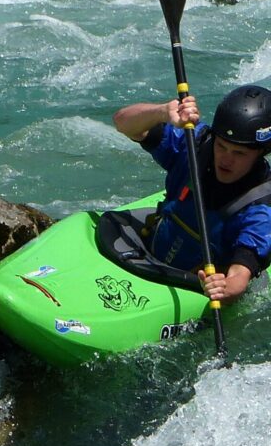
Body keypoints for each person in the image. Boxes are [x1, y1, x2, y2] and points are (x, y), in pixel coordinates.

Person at [112, 85, 271, 303]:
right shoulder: (194, 143)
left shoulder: (261, 206)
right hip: (147, 256)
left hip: (192, 286)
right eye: (222, 146)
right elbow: (122, 122)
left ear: (260, 153)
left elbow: (239, 277)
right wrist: (162, 112)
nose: (226, 159)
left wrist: (226, 288)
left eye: (239, 153)